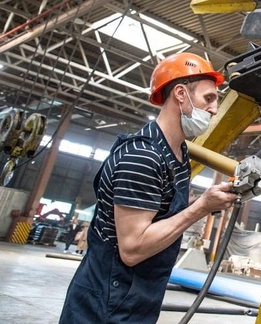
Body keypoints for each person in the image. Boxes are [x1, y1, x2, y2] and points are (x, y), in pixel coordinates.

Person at [59, 53, 238, 323]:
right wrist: (201, 207)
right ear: (180, 94)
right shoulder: (143, 157)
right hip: (107, 303)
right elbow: (131, 249)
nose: (214, 109)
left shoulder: (178, 154)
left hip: (138, 298)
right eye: (208, 98)